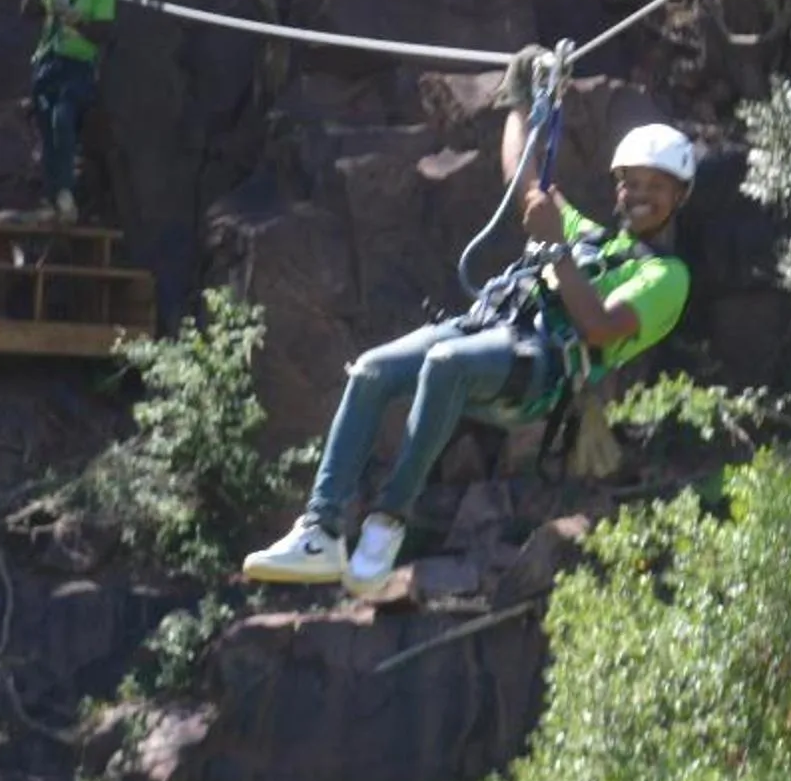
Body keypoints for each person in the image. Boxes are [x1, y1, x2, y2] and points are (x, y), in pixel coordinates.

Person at [244, 97, 697, 596]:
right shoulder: (589, 237)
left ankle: (387, 523)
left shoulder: (665, 276)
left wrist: (557, 248)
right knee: (371, 371)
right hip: (485, 330)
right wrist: (522, 98)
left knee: (445, 364)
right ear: (617, 187)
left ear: (680, 196)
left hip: (540, 370)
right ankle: (319, 532)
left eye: (656, 187)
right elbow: (522, 178)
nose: (641, 195)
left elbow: (597, 326)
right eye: (633, 183)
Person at [31, 0, 115, 224]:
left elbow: (102, 33)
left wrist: (74, 17)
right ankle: (53, 199)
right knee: (46, 130)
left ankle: (65, 193)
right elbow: (27, 12)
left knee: (62, 121)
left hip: (77, 68)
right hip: (47, 66)